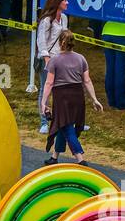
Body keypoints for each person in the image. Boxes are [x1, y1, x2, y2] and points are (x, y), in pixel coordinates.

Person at [42, 31, 102, 164]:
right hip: (77, 96)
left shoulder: (54, 60)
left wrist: (43, 101)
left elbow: (49, 82)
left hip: (62, 97)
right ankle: (54, 157)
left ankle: (80, 159)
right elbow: (87, 81)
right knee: (63, 124)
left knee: (66, 127)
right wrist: (94, 99)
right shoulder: (81, 58)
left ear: (60, 43)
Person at [35, 0, 69, 134]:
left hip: (60, 59)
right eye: (65, 1)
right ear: (58, 2)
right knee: (45, 89)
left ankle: (63, 120)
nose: (67, 3)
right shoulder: (46, 20)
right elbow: (41, 41)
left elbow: (65, 37)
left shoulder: (64, 18)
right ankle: (44, 121)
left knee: (62, 90)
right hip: (47, 60)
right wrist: (47, 59)